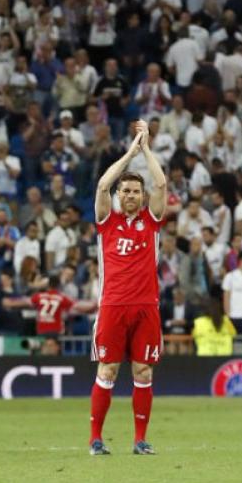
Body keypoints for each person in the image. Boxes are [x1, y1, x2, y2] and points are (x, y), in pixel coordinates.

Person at [88, 119, 166, 456]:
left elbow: (161, 184)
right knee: (107, 369)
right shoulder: (108, 222)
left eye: (135, 191)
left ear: (142, 196)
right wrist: (131, 151)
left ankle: (140, 440)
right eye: (126, 191)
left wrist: (146, 149)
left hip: (146, 306)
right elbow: (103, 185)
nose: (130, 195)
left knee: (143, 370)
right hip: (113, 306)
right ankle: (95, 439)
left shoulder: (151, 222)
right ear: (120, 196)